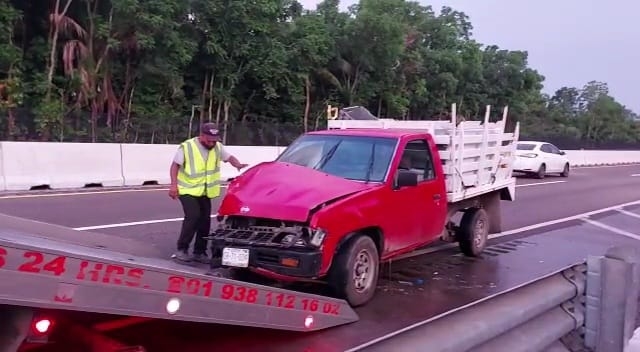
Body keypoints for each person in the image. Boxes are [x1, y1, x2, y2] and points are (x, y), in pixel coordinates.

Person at [169, 123, 248, 263]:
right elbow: (175, 166)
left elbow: (229, 157)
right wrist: (173, 185)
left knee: (205, 221)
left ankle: (200, 252)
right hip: (187, 189)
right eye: (209, 140)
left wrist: (237, 164)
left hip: (205, 191)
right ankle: (182, 249)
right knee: (193, 216)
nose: (212, 143)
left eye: (215, 140)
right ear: (202, 135)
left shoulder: (217, 147)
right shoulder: (187, 146)